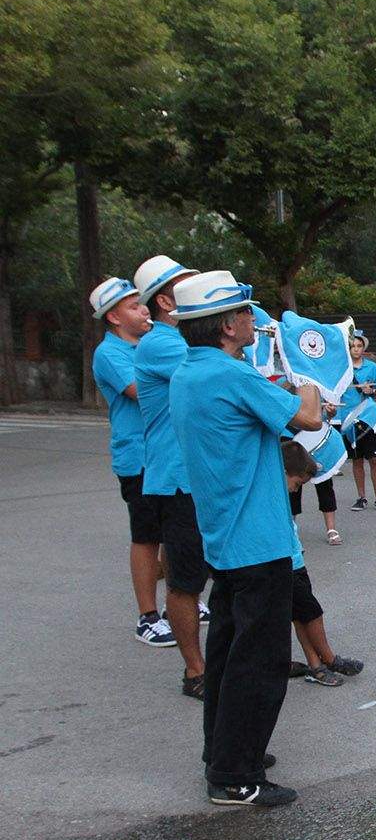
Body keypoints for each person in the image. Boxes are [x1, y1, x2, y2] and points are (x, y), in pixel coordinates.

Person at [168, 269, 322, 807]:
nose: (254, 320)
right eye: (246, 313)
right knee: (259, 661)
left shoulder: (194, 372)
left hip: (227, 536)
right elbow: (306, 416)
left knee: (229, 652)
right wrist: (310, 376)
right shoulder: (231, 376)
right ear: (228, 325)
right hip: (258, 541)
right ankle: (235, 775)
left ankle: (227, 751)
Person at [131, 254, 210, 699]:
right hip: (178, 479)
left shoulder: (181, 338)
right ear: (165, 300)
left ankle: (229, 660)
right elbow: (211, 368)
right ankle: (195, 671)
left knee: (224, 571)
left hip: (201, 474)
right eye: (187, 286)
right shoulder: (161, 342)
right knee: (185, 579)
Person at [90, 277, 171, 647]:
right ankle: (147, 616)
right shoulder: (109, 354)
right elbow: (143, 391)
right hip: (137, 456)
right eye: (134, 306)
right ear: (113, 318)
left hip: (166, 453)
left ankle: (180, 600)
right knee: (146, 536)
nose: (143, 310)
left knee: (176, 531)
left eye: (142, 304)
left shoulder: (151, 344)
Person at [280, 442, 365, 687]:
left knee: (300, 615)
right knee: (311, 612)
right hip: (286, 561)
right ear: (285, 472)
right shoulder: (273, 493)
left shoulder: (281, 491)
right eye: (297, 483)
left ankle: (315, 666)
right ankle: (329, 658)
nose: (296, 490)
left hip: (294, 556)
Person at [342, 330, 376, 512]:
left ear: (363, 348)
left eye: (359, 346)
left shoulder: (372, 367)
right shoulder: (342, 369)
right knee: (357, 460)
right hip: (349, 418)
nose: (356, 349)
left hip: (369, 418)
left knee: (375, 459)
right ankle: (361, 497)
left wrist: (373, 391)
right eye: (353, 346)